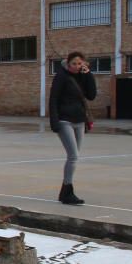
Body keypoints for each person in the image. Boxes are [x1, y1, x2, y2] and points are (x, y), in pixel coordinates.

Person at [49, 51, 97, 205]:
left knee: (74, 157)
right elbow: (53, 98)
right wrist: (54, 121)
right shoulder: (61, 76)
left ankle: (65, 192)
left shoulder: (82, 76)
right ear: (68, 64)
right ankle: (68, 190)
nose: (77, 66)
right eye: (74, 64)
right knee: (73, 156)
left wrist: (88, 75)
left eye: (79, 63)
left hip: (79, 121)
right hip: (65, 121)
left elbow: (91, 95)